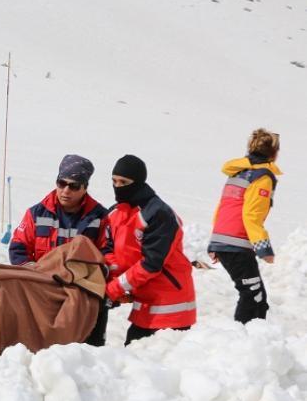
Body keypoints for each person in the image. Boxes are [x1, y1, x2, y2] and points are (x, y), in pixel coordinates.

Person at [8, 154, 110, 346]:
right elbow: (18, 247)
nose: (65, 190)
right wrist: (32, 272)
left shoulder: (100, 217)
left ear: (85, 188)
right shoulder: (36, 213)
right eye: (61, 183)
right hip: (44, 292)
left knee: (88, 352)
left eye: (74, 186)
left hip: (83, 295)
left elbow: (107, 254)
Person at [104, 154, 196, 344]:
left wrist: (112, 289)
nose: (118, 186)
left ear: (138, 182)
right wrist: (115, 282)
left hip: (171, 306)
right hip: (145, 302)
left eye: (124, 181)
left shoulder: (158, 213)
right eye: (114, 181)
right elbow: (111, 250)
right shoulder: (116, 212)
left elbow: (151, 263)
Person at [208, 128, 281, 323]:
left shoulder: (238, 172)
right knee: (254, 298)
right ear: (274, 153)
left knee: (254, 296)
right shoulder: (262, 177)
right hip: (236, 244)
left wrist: (214, 243)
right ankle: (243, 343)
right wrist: (263, 248)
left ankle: (247, 341)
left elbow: (223, 207)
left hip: (226, 241)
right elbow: (251, 215)